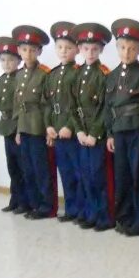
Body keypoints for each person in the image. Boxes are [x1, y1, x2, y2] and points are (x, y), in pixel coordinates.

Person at [104, 19, 139, 236]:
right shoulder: (111, 76)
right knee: (121, 175)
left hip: (135, 130)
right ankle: (123, 217)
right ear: (117, 48)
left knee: (136, 175)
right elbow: (108, 106)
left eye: (132, 48)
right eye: (122, 47)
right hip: (119, 131)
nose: (126, 52)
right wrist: (110, 133)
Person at [71, 22, 113, 231]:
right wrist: (78, 130)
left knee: (98, 176)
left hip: (96, 136)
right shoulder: (77, 73)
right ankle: (90, 213)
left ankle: (103, 216)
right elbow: (72, 105)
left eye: (95, 49)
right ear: (79, 49)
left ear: (101, 50)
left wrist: (94, 134)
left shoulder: (103, 74)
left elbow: (105, 108)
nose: (90, 53)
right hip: (81, 134)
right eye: (86, 48)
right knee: (84, 175)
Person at [10, 25, 53, 219]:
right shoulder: (19, 75)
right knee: (27, 168)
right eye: (24, 49)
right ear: (18, 51)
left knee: (40, 169)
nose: (28, 54)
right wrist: (18, 129)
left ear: (39, 51)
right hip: (24, 126)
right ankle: (32, 203)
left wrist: (47, 130)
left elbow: (47, 104)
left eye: (33, 50)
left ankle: (45, 206)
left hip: (38, 127)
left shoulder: (45, 74)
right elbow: (18, 104)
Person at [44, 22, 81, 222]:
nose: (64, 51)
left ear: (76, 49)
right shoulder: (52, 74)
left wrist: (70, 126)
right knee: (65, 172)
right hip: (57, 130)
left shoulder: (78, 73)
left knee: (78, 172)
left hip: (72, 131)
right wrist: (49, 126)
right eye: (60, 47)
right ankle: (70, 209)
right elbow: (47, 103)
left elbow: (77, 105)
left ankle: (81, 209)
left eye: (68, 47)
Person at [0, 36, 28, 214]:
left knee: (22, 166)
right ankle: (15, 199)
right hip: (6, 126)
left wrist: (20, 127)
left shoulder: (20, 79)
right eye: (3, 60)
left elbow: (21, 106)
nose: (7, 64)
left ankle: (25, 201)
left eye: (11, 60)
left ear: (18, 60)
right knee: (12, 166)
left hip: (17, 126)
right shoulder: (0, 81)